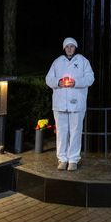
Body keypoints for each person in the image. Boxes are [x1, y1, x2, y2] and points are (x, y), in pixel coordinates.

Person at [45, 37, 95, 171]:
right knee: (61, 132)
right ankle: (62, 159)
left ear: (75, 47)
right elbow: (48, 79)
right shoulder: (57, 62)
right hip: (60, 103)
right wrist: (58, 82)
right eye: (67, 46)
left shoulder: (83, 61)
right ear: (64, 48)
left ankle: (73, 159)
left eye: (72, 46)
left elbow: (90, 78)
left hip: (76, 103)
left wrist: (76, 82)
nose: (69, 48)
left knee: (75, 131)